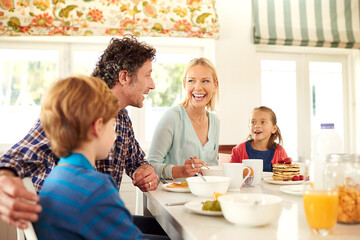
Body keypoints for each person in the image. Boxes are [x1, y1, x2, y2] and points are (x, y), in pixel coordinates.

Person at [0, 36, 159, 229]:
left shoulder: (123, 118)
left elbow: (136, 161)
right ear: (124, 77)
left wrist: (144, 170)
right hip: (70, 228)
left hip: (96, 220)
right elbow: (14, 160)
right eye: (148, 75)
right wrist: (4, 182)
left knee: (164, 229)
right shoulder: (75, 108)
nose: (152, 85)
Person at [33, 75, 168, 240]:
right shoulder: (96, 188)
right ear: (98, 127)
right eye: (112, 125)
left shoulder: (55, 177)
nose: (114, 133)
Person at [147, 58, 220, 180]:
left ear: (215, 85)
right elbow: (151, 165)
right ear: (184, 84)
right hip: (171, 197)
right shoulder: (172, 117)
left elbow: (212, 167)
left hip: (203, 195)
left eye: (205, 81)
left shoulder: (215, 121)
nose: (198, 87)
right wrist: (181, 171)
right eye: (191, 81)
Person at [230, 106, 288, 172]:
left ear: (274, 128)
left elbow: (286, 175)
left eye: (263, 122)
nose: (257, 126)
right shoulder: (238, 150)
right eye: (253, 122)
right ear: (249, 127)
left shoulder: (280, 152)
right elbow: (231, 174)